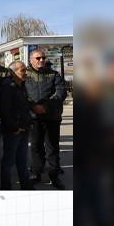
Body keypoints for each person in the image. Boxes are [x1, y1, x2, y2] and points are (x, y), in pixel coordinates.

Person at [26, 49, 67, 189]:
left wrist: (45, 105)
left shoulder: (54, 74)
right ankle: (36, 173)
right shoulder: (25, 75)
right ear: (31, 59)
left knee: (52, 147)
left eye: (43, 58)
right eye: (38, 58)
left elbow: (61, 92)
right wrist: (33, 106)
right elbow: (22, 93)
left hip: (52, 117)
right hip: (33, 117)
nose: (41, 60)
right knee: (36, 147)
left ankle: (54, 175)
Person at [0, 61, 34, 190]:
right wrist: (14, 127)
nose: (26, 73)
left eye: (25, 70)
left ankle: (26, 186)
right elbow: (4, 110)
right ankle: (6, 188)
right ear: (13, 73)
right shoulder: (7, 86)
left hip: (24, 128)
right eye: (22, 70)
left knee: (22, 160)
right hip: (13, 131)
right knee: (8, 161)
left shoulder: (22, 85)